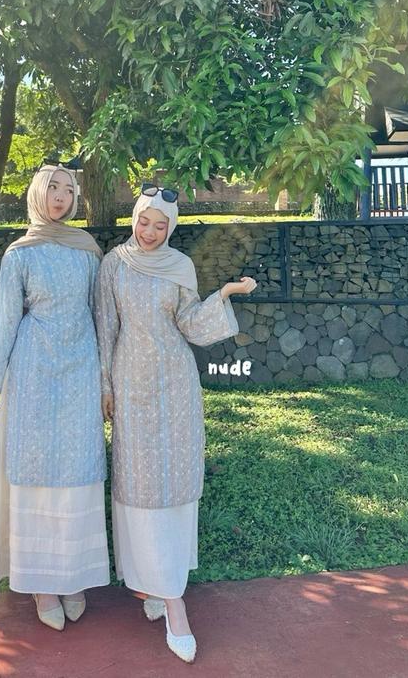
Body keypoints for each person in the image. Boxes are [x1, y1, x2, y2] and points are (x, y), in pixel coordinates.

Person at [95, 184, 257, 662]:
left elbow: (189, 322)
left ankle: (170, 595)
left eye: (160, 225)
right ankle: (156, 588)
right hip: (130, 383)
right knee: (139, 484)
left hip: (177, 384)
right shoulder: (113, 264)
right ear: (134, 218)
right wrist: (105, 385)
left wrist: (224, 293)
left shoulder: (180, 265)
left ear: (171, 228)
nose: (149, 231)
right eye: (144, 221)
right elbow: (106, 327)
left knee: (174, 482)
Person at [0, 164, 109, 631]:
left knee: (78, 468)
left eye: (69, 190)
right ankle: (40, 584)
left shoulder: (87, 251)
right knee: (34, 470)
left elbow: (101, 314)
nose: (62, 196)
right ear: (37, 193)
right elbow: (4, 319)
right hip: (32, 371)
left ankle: (73, 576)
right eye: (53, 188)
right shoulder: (20, 254)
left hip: (81, 369)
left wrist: (107, 380)